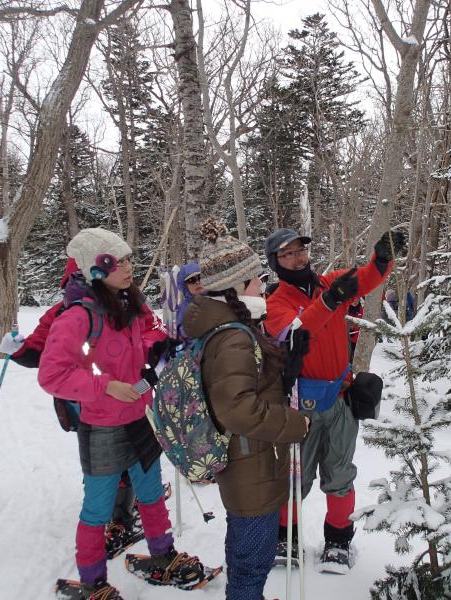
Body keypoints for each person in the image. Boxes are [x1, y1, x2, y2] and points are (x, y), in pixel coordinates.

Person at [38, 228, 207, 599]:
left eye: (129, 259)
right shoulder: (78, 316)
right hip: (102, 425)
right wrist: (105, 386)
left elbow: (144, 337)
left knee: (150, 493)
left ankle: (163, 555)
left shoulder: (130, 303)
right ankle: (93, 581)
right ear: (97, 268)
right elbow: (52, 374)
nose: (129, 267)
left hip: (139, 418)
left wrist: (154, 352)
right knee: (97, 508)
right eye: (120, 261)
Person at [263, 227, 405, 573]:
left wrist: (382, 257)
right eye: (288, 253)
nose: (298, 257)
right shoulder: (275, 302)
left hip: (340, 397)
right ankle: (287, 537)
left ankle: (339, 541)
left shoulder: (331, 283)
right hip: (300, 403)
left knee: (340, 474)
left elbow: (367, 278)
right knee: (296, 477)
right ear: (276, 262)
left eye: (301, 250)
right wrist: (328, 302)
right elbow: (296, 331)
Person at [181, 218, 309, 600]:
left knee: (245, 549)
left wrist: (283, 367)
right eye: (256, 279)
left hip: (248, 459)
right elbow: (237, 409)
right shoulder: (233, 336)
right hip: (250, 460)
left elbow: (246, 385)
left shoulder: (235, 326)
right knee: (253, 556)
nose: (263, 285)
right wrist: (295, 424)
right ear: (237, 286)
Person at [0, 258, 140, 549]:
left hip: (125, 397)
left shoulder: (125, 306)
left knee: (130, 453)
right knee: (99, 459)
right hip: (81, 401)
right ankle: (112, 512)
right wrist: (17, 350)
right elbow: (40, 355)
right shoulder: (63, 313)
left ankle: (124, 510)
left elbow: (146, 337)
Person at [175, 262, 205, 342]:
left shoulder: (217, 299)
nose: (197, 282)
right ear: (185, 285)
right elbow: (183, 333)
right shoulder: (184, 309)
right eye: (191, 280)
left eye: (200, 277)